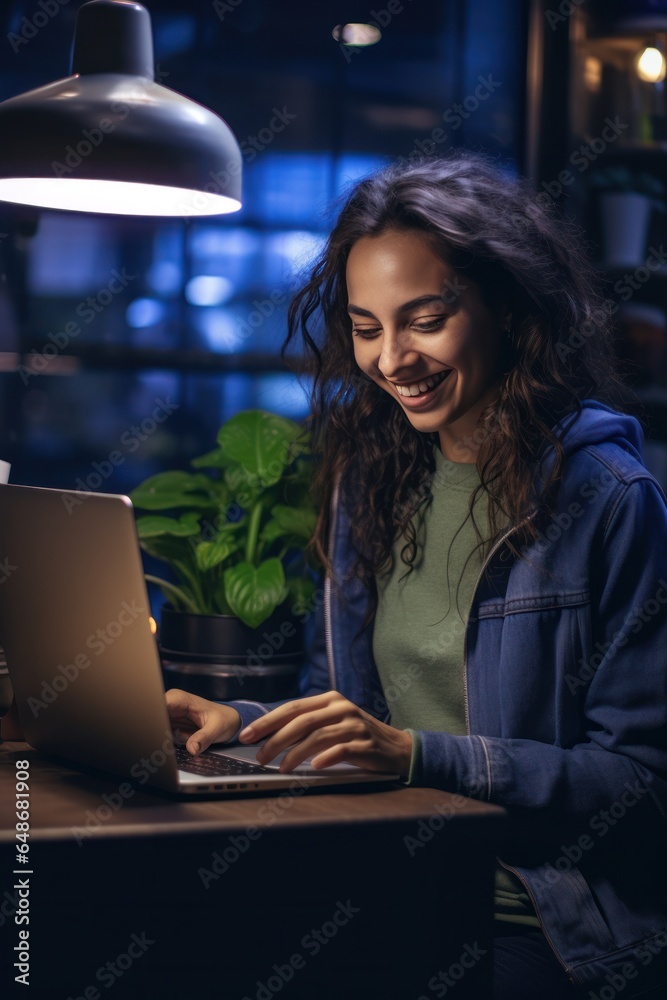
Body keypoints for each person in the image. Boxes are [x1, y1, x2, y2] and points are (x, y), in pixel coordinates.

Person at [165, 153, 667, 999]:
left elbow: (640, 785)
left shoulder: (607, 498)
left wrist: (421, 758)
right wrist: (244, 726)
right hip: (388, 881)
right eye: (366, 328)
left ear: (507, 305)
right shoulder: (374, 478)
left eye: (424, 319)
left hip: (546, 924)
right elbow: (357, 720)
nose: (392, 358)